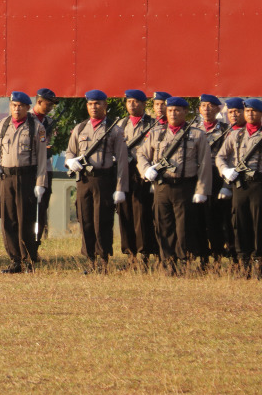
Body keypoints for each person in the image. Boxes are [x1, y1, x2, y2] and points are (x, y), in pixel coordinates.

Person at [138, 97, 212, 274]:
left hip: (185, 186)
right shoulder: (157, 133)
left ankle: (184, 261)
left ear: (185, 112)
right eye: (170, 110)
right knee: (163, 225)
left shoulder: (196, 134)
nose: (173, 113)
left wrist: (202, 190)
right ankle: (167, 262)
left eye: (177, 110)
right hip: (162, 186)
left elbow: (205, 164)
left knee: (184, 226)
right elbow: (142, 154)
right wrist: (146, 170)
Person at [63, 90, 129, 273]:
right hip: (84, 180)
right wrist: (70, 161)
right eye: (91, 104)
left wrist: (120, 187)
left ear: (105, 105)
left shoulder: (114, 130)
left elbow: (122, 160)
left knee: (103, 221)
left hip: (103, 180)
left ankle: (103, 261)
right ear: (87, 106)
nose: (94, 107)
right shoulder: (80, 128)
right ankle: (90, 259)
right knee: (86, 220)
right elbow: (70, 151)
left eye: (98, 103)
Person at [0, 91, 48, 273]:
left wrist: (40, 183)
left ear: (27, 108)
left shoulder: (35, 128)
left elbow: (42, 158)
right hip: (7, 177)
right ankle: (15, 260)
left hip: (26, 177)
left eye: (20, 106)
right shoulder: (3, 125)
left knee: (25, 220)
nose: (16, 109)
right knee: (8, 219)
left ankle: (28, 259)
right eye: (13, 105)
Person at [218, 97, 262, 278]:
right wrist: (225, 171)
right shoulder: (236, 135)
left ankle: (259, 262)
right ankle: (244, 262)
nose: (250, 114)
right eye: (248, 111)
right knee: (240, 223)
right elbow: (220, 156)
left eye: (254, 111)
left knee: (259, 224)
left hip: (259, 184)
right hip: (240, 185)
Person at [117, 90, 159, 270]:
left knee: (142, 213)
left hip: (143, 172)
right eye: (129, 101)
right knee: (124, 212)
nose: (132, 105)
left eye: (136, 102)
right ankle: (130, 255)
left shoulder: (153, 124)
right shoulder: (121, 124)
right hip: (124, 172)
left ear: (143, 104)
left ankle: (144, 254)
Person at [197, 94, 233, 268]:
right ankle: (203, 258)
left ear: (218, 109)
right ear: (199, 109)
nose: (207, 109)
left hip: (217, 177)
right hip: (197, 178)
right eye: (203, 105)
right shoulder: (193, 129)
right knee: (199, 220)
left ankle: (218, 256)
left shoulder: (226, 130)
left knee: (217, 219)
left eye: (211, 105)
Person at [30, 88, 58, 255]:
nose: (50, 108)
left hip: (45, 170)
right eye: (48, 104)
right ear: (39, 102)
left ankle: (36, 246)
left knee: (42, 209)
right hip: (28, 169)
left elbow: (53, 143)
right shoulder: (27, 120)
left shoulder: (50, 122)